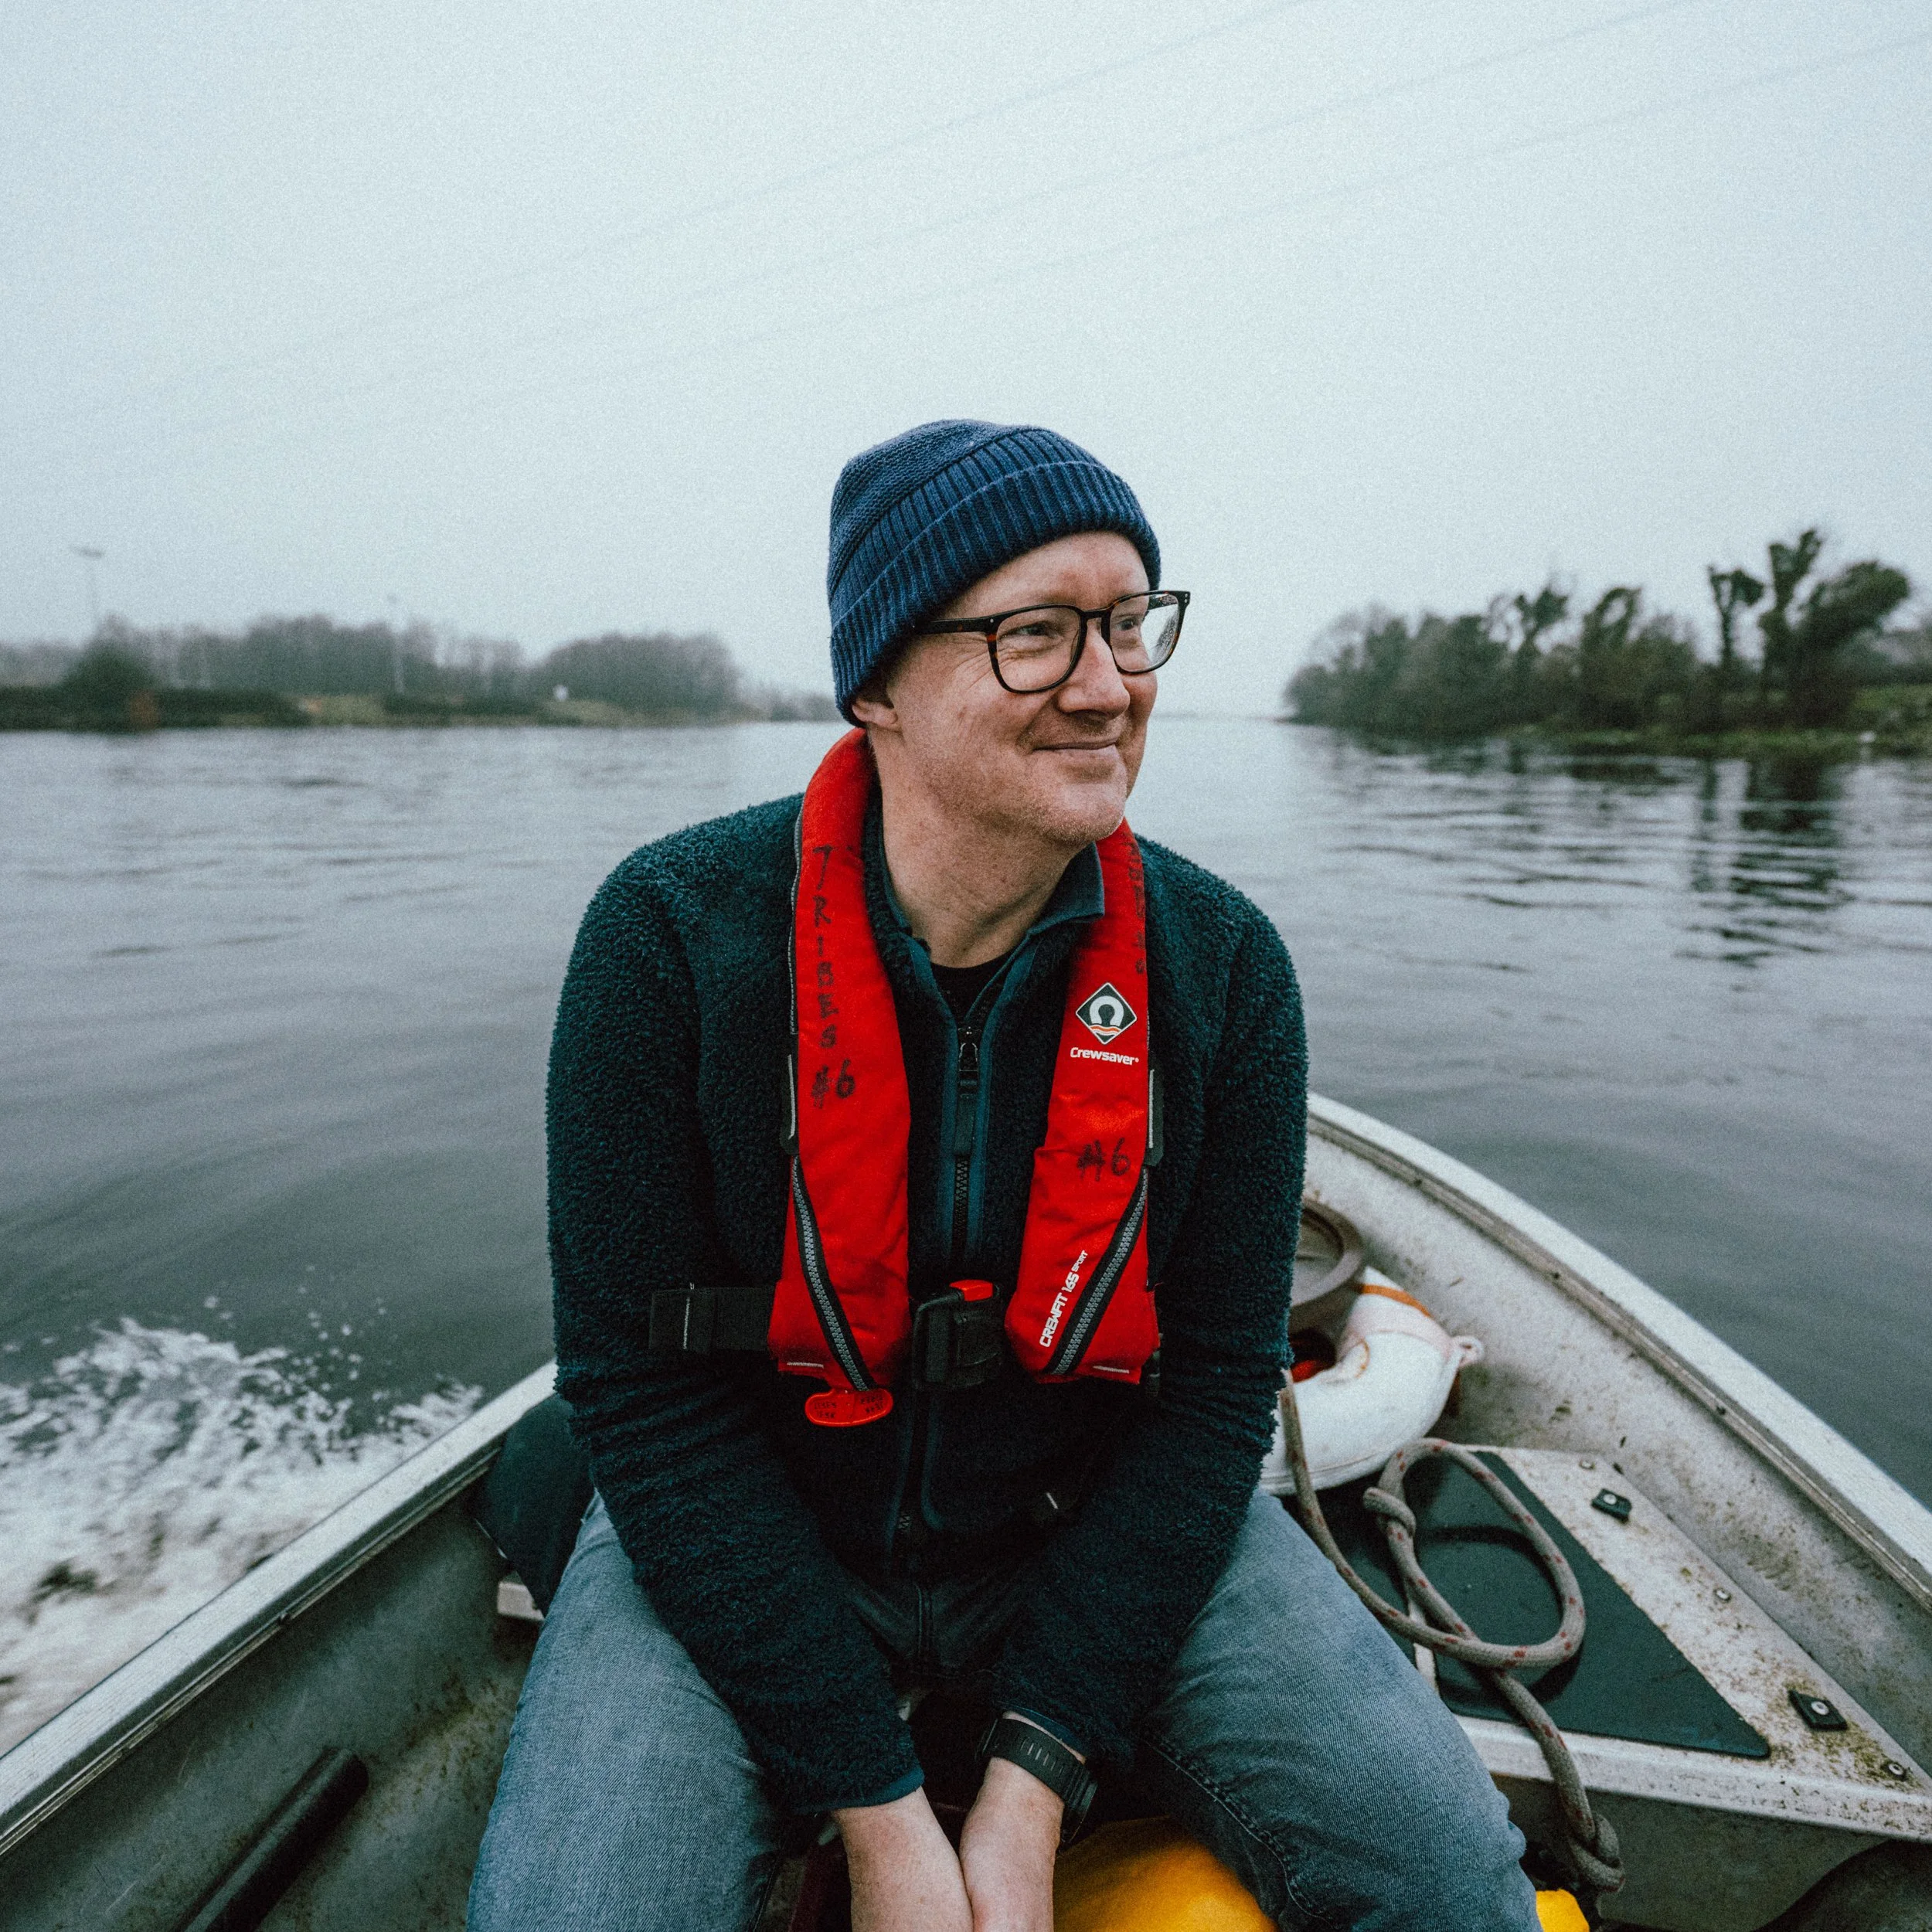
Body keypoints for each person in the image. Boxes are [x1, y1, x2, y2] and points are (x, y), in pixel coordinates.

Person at [468, 421, 1539, 1931]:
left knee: (1447, 1890)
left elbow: (1217, 1388)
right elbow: (645, 1400)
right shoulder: (668, 937)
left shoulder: (1222, 965)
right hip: (756, 1528)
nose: (1107, 683)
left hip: (1087, 1521)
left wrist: (1027, 1792)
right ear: (877, 682)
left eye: (1125, 622)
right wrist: (884, 1817)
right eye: (1033, 634)